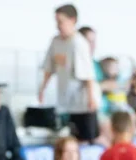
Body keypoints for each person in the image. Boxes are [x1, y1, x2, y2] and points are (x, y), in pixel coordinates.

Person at [39, 4, 98, 142]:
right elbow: (49, 68)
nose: (58, 26)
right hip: (65, 100)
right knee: (69, 137)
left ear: (72, 20)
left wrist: (91, 98)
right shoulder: (56, 42)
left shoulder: (78, 43)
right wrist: (42, 88)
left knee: (86, 138)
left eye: (61, 22)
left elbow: (88, 74)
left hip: (82, 102)